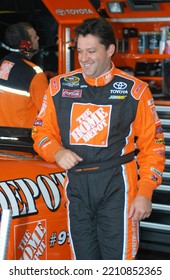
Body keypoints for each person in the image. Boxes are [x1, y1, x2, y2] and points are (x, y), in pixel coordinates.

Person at [32, 17, 166, 260]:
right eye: (80, 51)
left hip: (117, 186)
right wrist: (56, 152)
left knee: (118, 263)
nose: (84, 58)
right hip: (77, 187)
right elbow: (41, 132)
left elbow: (153, 146)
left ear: (110, 50)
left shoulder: (135, 91)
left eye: (92, 51)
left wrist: (145, 191)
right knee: (83, 262)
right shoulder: (58, 87)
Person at [0, 22, 48, 128]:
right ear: (26, 44)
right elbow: (48, 114)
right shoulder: (35, 74)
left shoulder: (2, 65)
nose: (38, 38)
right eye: (35, 37)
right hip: (23, 141)